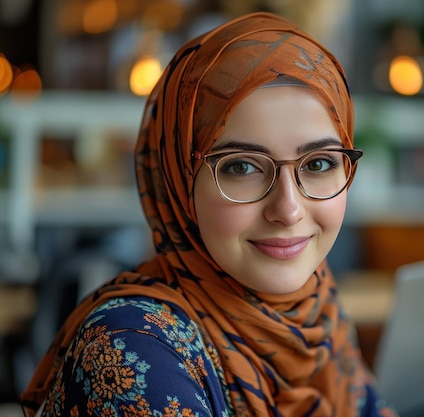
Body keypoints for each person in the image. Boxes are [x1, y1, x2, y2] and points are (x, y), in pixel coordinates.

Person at [20, 11, 397, 417]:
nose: (288, 210)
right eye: (242, 167)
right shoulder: (132, 346)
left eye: (319, 163)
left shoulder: (317, 309)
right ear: (179, 181)